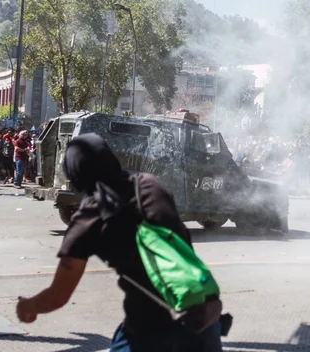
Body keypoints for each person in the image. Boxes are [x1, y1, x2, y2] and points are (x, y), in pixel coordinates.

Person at [15, 133, 223, 352]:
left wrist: (27, 306)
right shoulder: (150, 184)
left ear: (75, 175)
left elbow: (58, 296)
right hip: (203, 316)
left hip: (149, 331)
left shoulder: (89, 218)